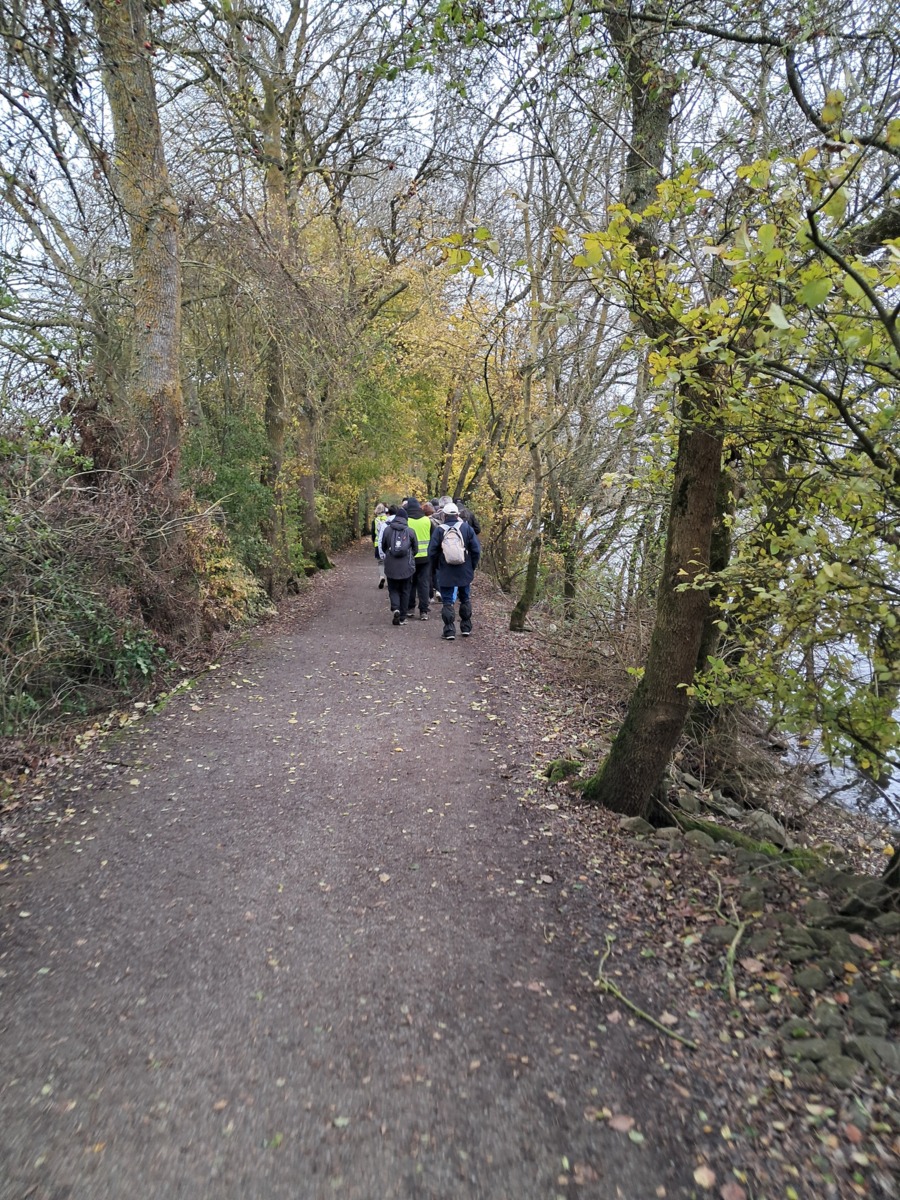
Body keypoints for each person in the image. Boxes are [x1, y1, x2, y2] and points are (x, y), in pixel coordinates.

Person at [428, 501, 481, 640]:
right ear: (457, 515)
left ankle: (449, 630)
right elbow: (476, 550)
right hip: (464, 569)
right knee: (465, 598)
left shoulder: (439, 530)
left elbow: (432, 552)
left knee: (447, 601)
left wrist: (436, 567)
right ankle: (466, 627)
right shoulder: (467, 528)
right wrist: (471, 566)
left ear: (444, 515)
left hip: (446, 570)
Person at [380, 504, 418, 625]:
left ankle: (396, 608)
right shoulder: (410, 531)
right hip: (406, 566)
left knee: (393, 589)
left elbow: (383, 546)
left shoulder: (387, 530)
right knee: (405, 590)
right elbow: (415, 549)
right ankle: (402, 616)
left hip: (391, 566)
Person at [403, 497, 433, 619]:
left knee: (410, 583)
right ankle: (423, 611)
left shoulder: (406, 521)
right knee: (424, 583)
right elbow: (433, 538)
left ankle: (410, 608)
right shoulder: (427, 520)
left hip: (410, 557)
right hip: (425, 557)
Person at [372, 502, 389, 589]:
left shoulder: (375, 520)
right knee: (388, 562)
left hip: (377, 543)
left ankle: (382, 576)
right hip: (387, 543)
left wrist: (374, 542)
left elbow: (373, 534)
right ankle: (389, 580)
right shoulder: (388, 519)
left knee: (380, 562)